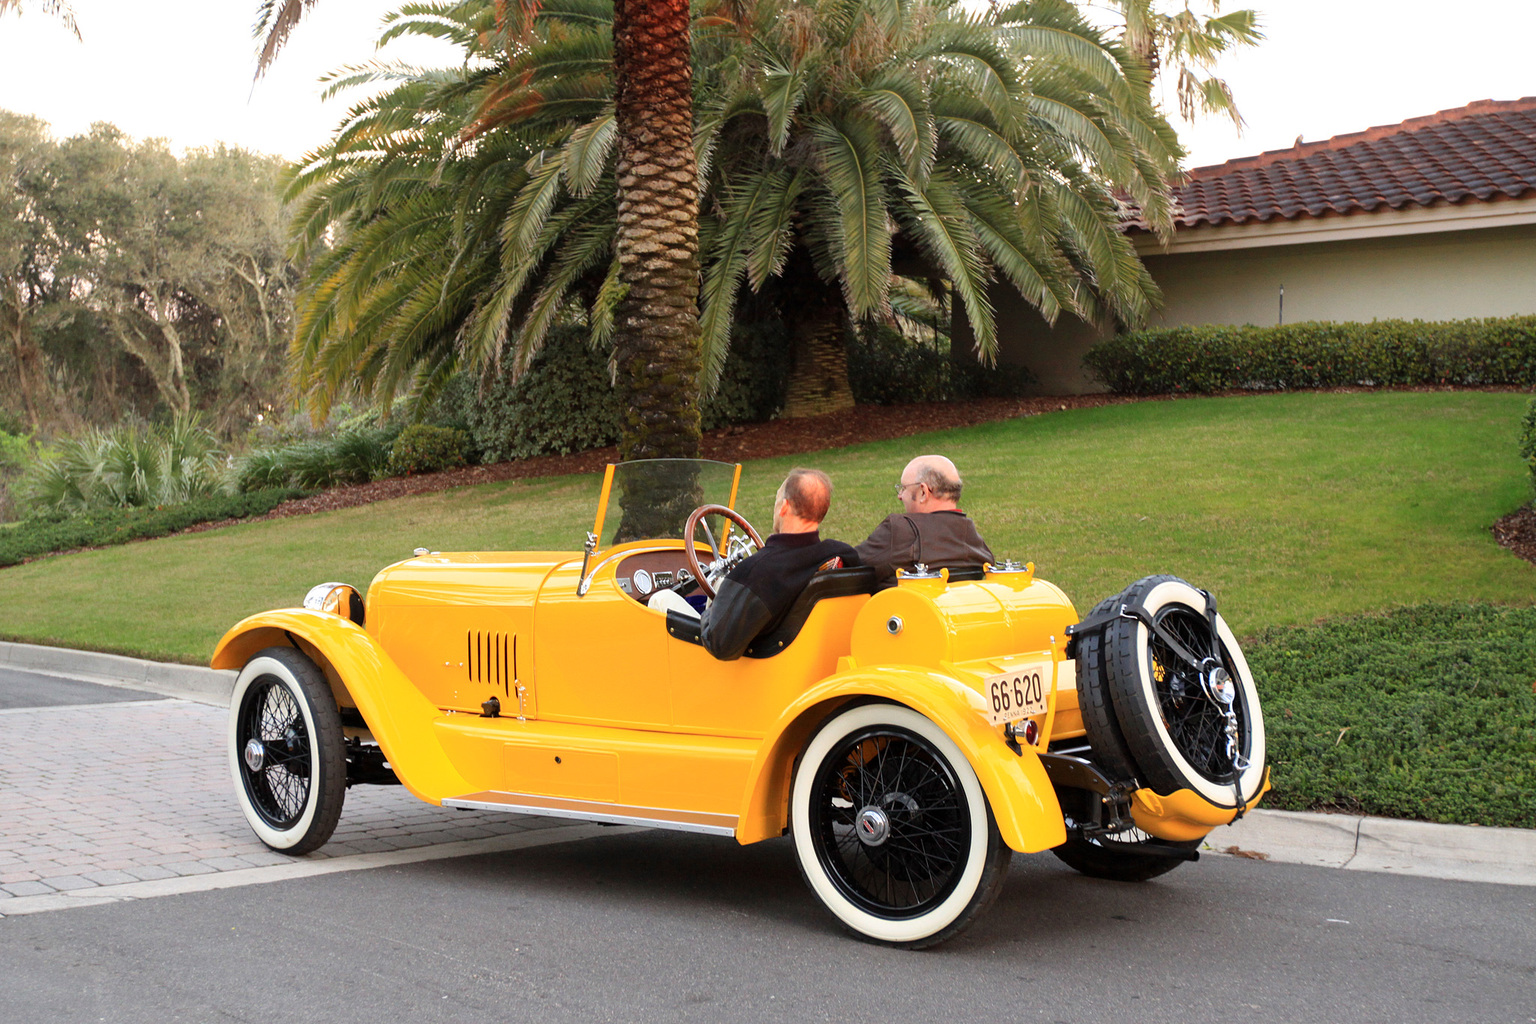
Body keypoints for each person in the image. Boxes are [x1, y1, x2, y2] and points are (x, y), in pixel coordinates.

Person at [653, 468, 858, 661]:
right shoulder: (841, 554)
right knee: (720, 583)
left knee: (661, 598)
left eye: (777, 501)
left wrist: (713, 609)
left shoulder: (758, 572)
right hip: (804, 652)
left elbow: (720, 644)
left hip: (748, 663)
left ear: (784, 507)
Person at [855, 454, 993, 588]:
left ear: (923, 492)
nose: (900, 496)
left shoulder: (900, 530)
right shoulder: (972, 537)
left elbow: (846, 570)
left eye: (903, 488)